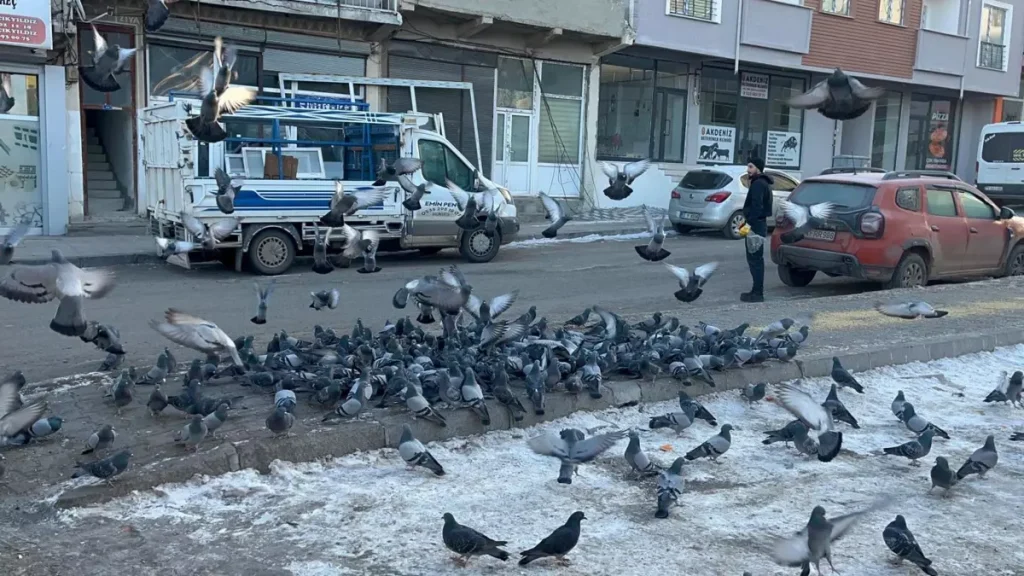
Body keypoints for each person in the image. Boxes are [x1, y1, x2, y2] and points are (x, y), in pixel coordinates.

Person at [741, 156, 773, 303]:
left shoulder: (758, 184)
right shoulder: (761, 182)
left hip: (756, 225)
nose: (748, 170)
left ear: (758, 168)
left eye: (751, 167)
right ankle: (755, 291)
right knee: (755, 259)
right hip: (758, 224)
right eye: (748, 167)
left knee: (755, 260)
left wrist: (747, 225)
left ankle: (757, 293)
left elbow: (757, 207)